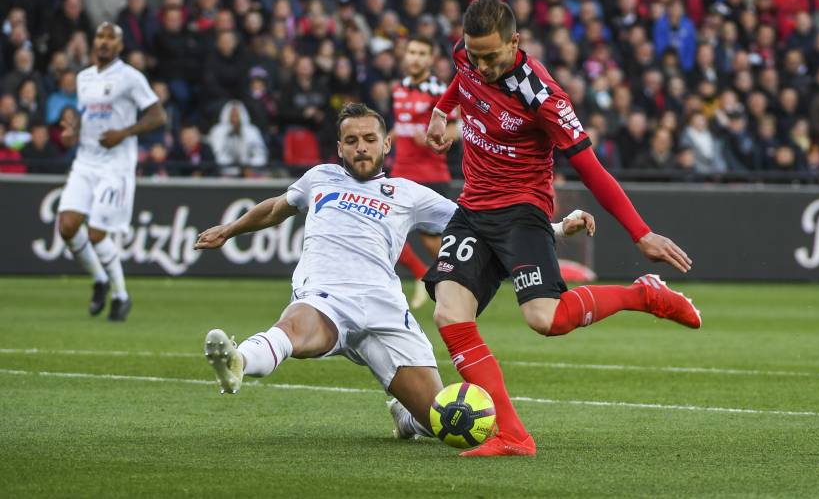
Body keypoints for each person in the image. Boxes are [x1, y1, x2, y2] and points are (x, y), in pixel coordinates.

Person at [194, 103, 595, 444]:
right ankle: (238, 361)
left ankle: (406, 416)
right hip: (326, 295)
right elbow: (275, 208)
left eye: (369, 139)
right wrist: (229, 230)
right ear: (339, 148)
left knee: (442, 422)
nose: (361, 147)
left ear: (386, 144)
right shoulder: (320, 178)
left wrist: (556, 229)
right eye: (351, 141)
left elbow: (482, 223)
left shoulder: (407, 193)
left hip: (386, 310)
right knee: (295, 328)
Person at [425, 0, 700, 457]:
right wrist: (441, 109)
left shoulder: (543, 97)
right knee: (449, 314)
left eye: (492, 56)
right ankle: (514, 436)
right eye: (475, 55)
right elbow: (461, 78)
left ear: (516, 42)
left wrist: (640, 232)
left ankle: (643, 294)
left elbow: (592, 170)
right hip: (472, 208)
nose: (482, 65)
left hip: (521, 210)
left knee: (544, 320)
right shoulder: (466, 54)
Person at [56, 22, 167, 321]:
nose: (104, 42)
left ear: (119, 46)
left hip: (115, 166)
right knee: (66, 225)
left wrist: (126, 132)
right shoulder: (84, 78)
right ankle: (100, 279)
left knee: (96, 233)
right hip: (85, 160)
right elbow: (87, 114)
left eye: (111, 38)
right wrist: (73, 131)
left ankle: (121, 296)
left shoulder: (131, 77)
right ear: (94, 43)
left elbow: (158, 115)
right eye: (100, 37)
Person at [390, 36, 459, 310]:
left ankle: (457, 279)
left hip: (431, 175)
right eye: (412, 52)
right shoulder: (398, 89)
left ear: (430, 59)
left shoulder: (439, 90)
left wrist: (438, 136)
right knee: (384, 229)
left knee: (433, 242)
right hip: (400, 173)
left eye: (421, 53)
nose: (415, 58)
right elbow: (402, 126)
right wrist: (387, 139)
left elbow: (456, 129)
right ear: (405, 56)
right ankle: (420, 272)